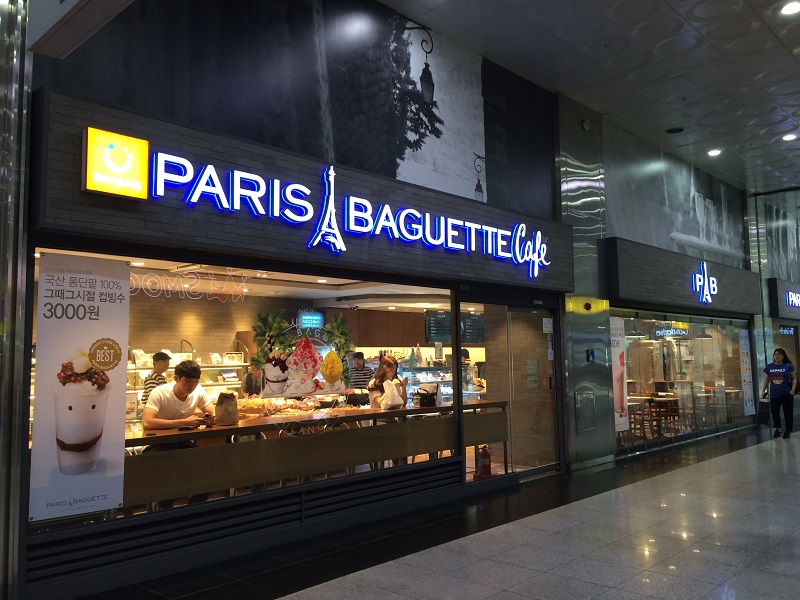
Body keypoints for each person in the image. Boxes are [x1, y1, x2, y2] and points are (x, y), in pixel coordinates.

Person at [142, 360, 216, 430]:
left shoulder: (198, 390)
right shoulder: (159, 393)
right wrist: (183, 422)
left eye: (196, 381)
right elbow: (147, 423)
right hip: (161, 437)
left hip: (186, 436)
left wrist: (210, 419)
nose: (192, 386)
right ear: (176, 379)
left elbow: (215, 414)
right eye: (188, 381)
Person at [761, 348, 796, 439]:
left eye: (779, 354)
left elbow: (794, 379)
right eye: (775, 354)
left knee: (788, 413)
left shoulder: (788, 366)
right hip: (774, 394)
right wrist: (763, 390)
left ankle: (788, 430)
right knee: (774, 412)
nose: (777, 356)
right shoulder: (770, 367)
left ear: (783, 356)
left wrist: (792, 390)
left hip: (786, 393)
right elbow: (767, 379)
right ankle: (778, 428)